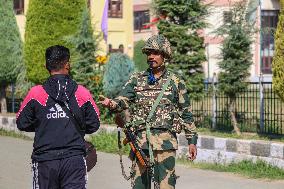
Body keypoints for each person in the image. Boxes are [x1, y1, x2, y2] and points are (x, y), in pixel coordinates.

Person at [100, 34, 197, 189]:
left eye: (155, 53)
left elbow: (186, 113)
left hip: (165, 146)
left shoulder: (176, 82)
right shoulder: (137, 79)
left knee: (166, 187)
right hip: (141, 144)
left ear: (165, 55)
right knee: (139, 187)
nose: (151, 56)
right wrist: (112, 103)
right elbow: (123, 99)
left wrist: (192, 141)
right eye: (148, 53)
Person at [17, 45, 100, 189]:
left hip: (45, 161)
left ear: (46, 66)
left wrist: (44, 124)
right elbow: (94, 124)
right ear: (67, 64)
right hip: (74, 161)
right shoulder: (82, 93)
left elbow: (22, 123)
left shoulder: (35, 93)